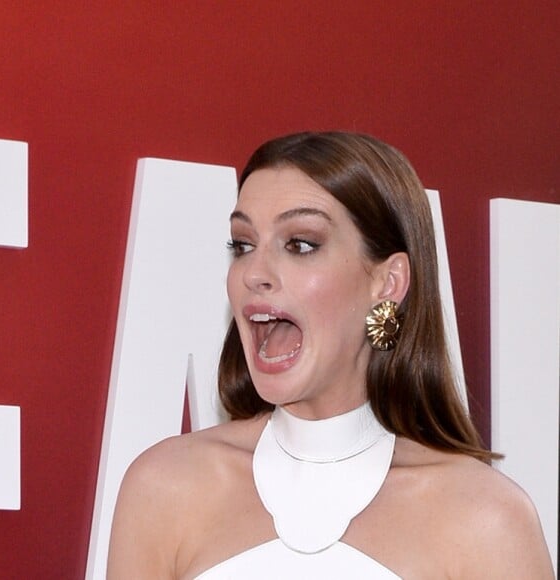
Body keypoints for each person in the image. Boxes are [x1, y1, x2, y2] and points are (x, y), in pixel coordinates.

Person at [107, 132, 554, 579]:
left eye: (300, 244)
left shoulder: (486, 520)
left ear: (387, 282)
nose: (254, 273)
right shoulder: (164, 486)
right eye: (243, 244)